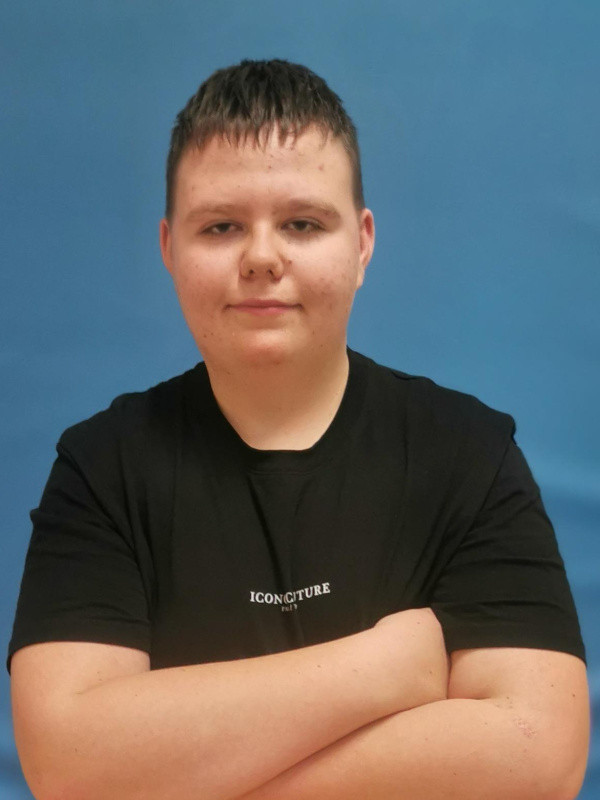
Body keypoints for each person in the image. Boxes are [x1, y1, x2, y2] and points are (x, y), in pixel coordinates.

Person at [9, 59, 589, 800]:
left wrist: (192, 771)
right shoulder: (103, 466)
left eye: (302, 224)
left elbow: (540, 760)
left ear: (362, 244)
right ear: (168, 248)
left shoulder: (468, 453)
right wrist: (383, 669)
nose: (261, 257)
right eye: (221, 226)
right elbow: (68, 763)